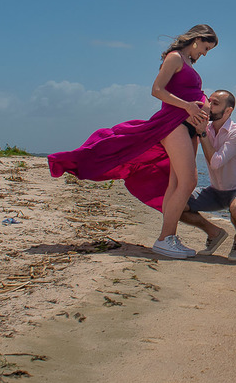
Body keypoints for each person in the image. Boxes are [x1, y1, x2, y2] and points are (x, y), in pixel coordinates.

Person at [48, 24, 217, 259]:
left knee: (176, 182)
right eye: (206, 48)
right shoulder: (175, 57)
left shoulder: (188, 63)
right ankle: (165, 239)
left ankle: (168, 238)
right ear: (197, 39)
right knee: (188, 181)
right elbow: (157, 90)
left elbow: (187, 91)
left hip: (190, 127)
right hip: (173, 123)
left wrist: (202, 102)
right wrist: (188, 106)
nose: (205, 54)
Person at [180, 89, 236, 262]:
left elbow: (216, 162)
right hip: (215, 191)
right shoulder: (204, 127)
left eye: (215, 103)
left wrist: (202, 133)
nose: (209, 106)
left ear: (228, 110)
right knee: (175, 204)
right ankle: (214, 233)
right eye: (209, 101)